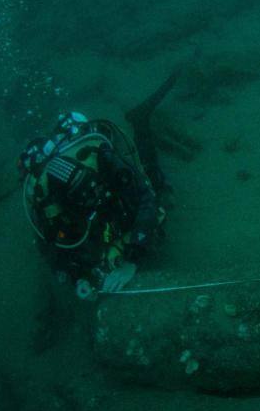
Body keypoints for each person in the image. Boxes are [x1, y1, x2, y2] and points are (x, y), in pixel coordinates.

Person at [18, 73, 176, 296]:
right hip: (90, 220)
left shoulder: (101, 159)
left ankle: (140, 121)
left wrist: (132, 260)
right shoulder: (46, 199)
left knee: (155, 184)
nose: (91, 196)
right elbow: (51, 248)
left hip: (117, 189)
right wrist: (77, 278)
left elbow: (146, 197)